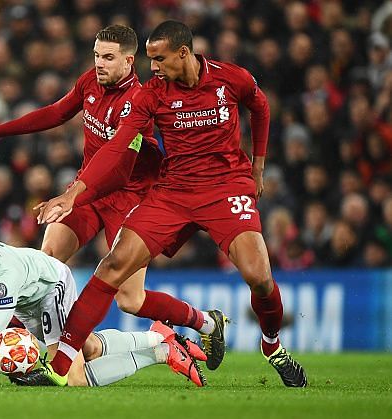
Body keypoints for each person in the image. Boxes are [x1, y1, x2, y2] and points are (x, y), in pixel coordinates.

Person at [33, 20, 308, 387]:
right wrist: (72, 193)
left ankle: (272, 346)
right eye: (150, 59)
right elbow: (116, 148)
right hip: (174, 191)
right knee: (112, 266)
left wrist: (258, 166)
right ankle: (62, 365)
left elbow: (261, 107)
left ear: (183, 53)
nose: (154, 68)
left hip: (225, 188)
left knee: (259, 278)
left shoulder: (231, 78)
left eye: (159, 59)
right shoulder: (152, 94)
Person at [0, 24, 226, 370]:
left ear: (130, 61)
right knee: (46, 265)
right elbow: (56, 112)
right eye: (97, 55)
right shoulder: (91, 81)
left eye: (108, 58)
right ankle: (8, 340)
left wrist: (73, 194)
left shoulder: (139, 103)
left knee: (130, 300)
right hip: (86, 194)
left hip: (128, 201)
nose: (99, 63)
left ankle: (205, 322)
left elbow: (117, 169)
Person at [0, 221, 207, 387]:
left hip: (50, 286)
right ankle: (159, 336)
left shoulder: (1, 275)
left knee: (70, 377)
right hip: (27, 300)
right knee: (89, 347)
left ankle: (162, 352)